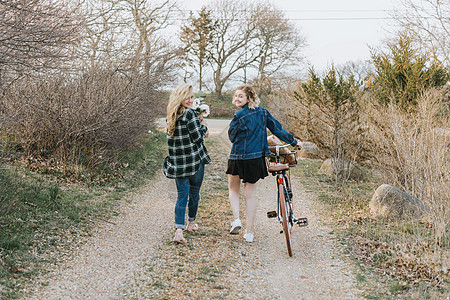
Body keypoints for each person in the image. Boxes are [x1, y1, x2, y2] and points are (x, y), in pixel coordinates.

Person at [226, 85, 303, 243]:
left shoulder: (238, 115)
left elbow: (232, 137)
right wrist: (294, 142)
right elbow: (278, 130)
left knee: (234, 189)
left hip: (238, 157)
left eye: (240, 96)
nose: (237, 98)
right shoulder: (263, 112)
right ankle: (249, 233)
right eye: (236, 96)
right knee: (251, 195)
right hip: (256, 159)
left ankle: (237, 220)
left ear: (249, 98)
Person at [163, 83, 211, 244]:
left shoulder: (171, 115)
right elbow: (198, 137)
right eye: (187, 97)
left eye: (192, 97)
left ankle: (178, 230)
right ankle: (190, 223)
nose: (190, 100)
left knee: (181, 196)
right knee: (194, 193)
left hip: (178, 163)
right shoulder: (190, 115)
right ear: (180, 97)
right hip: (194, 161)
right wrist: (203, 126)